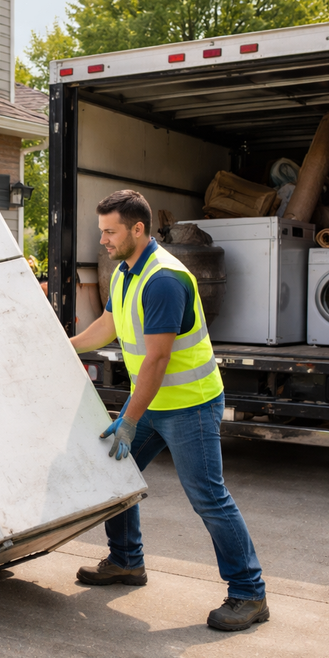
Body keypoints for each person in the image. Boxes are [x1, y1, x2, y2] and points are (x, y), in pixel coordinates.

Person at [70, 190, 269, 632]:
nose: (102, 240)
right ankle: (126, 562)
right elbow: (109, 325)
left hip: (189, 406)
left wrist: (130, 419)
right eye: (101, 231)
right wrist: (64, 346)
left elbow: (157, 359)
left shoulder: (163, 279)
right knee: (115, 477)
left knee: (208, 498)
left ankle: (249, 593)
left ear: (137, 230)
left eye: (109, 231)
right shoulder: (124, 271)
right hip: (154, 401)